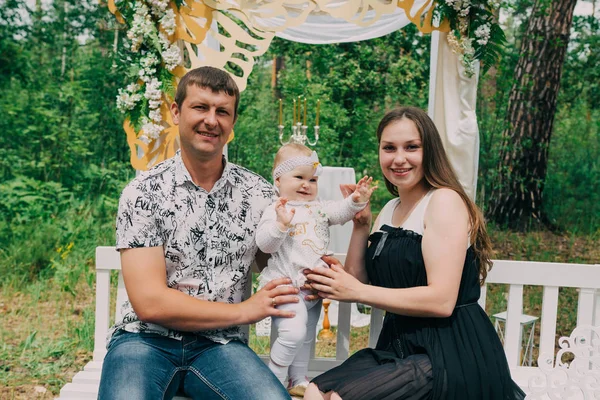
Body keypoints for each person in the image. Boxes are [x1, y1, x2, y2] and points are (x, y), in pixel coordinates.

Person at [97, 66, 300, 400]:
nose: (211, 120)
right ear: (176, 112)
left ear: (232, 122)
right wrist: (244, 312)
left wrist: (324, 243)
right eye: (200, 107)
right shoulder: (144, 192)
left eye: (222, 112)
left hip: (220, 347)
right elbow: (150, 304)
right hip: (144, 341)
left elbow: (279, 261)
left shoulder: (258, 193)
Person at [303, 107, 526, 400]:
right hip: (398, 346)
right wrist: (362, 225)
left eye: (411, 147)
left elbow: (442, 301)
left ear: (429, 151)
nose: (398, 158)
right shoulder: (389, 209)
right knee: (315, 391)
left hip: (451, 351)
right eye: (389, 148)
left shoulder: (444, 201)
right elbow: (358, 279)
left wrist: (356, 290)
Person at [256, 143, 375, 397]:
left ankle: (297, 378)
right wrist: (280, 225)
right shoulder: (277, 210)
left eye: (312, 179)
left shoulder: (318, 207)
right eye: (298, 177)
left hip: (312, 290)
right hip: (286, 286)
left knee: (307, 335)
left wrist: (355, 200)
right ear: (278, 179)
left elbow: (341, 212)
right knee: (294, 332)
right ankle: (273, 377)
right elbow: (265, 244)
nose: (306, 184)